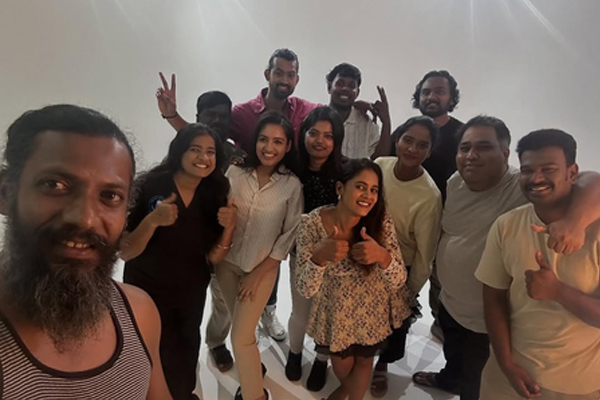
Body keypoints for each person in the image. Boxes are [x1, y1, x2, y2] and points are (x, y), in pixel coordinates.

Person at [412, 116, 600, 400]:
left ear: (504, 153)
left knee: (475, 381)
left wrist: (575, 220)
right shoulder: (455, 182)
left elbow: (592, 180)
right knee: (454, 354)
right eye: (465, 148)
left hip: (487, 322)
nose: (471, 155)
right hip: (450, 303)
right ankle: (449, 378)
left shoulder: (520, 187)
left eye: (483, 147)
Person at [0, 104, 171, 399]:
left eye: (110, 196)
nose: (85, 219)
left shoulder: (139, 313)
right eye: (55, 185)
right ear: (5, 193)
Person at [157, 49, 316, 340]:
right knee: (219, 290)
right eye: (278, 72)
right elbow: (205, 135)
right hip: (234, 204)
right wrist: (171, 116)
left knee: (266, 260)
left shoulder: (303, 109)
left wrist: (354, 105)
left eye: (290, 74)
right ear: (267, 74)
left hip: (280, 194)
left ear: (297, 78)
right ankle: (220, 339)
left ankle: (265, 313)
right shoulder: (241, 116)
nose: (284, 79)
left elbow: (328, 117)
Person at [476, 129, 600, 399]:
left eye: (548, 169)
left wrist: (558, 292)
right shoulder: (507, 224)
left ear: (572, 173)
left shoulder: (596, 230)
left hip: (578, 385)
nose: (536, 178)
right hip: (508, 374)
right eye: (527, 170)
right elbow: (493, 297)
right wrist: (506, 363)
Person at [121, 123, 236, 399]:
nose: (203, 157)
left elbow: (213, 256)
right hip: (147, 288)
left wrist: (230, 227)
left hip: (190, 290)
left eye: (210, 152)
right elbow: (125, 251)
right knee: (148, 347)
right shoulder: (151, 185)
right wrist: (152, 221)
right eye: (195, 149)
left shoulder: (216, 190)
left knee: (186, 347)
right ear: (179, 152)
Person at [295, 158, 411, 400]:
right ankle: (345, 389)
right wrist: (318, 258)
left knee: (365, 362)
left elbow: (399, 278)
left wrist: (382, 256)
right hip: (336, 313)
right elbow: (305, 289)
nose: (368, 196)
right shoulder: (311, 224)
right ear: (340, 188)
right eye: (360, 187)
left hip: (372, 311)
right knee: (342, 366)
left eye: (374, 190)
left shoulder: (380, 220)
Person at [216, 112, 303, 400]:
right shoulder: (235, 172)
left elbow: (289, 235)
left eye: (278, 141)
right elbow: (219, 211)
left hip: (262, 270)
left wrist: (256, 275)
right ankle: (254, 368)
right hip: (227, 265)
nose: (269, 147)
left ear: (287, 146)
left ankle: (255, 395)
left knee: (240, 339)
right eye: (264, 139)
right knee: (242, 331)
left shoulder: (292, 185)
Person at [159, 88, 240, 372]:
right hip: (182, 246)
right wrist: (171, 115)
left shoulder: (236, 155)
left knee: (222, 302)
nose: (217, 121)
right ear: (198, 117)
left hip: (221, 243)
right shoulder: (180, 153)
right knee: (180, 304)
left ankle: (216, 342)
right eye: (210, 115)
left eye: (223, 116)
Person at [371, 116, 443, 397]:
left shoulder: (429, 197)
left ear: (430, 151)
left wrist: (409, 292)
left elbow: (425, 255)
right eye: (408, 140)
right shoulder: (380, 166)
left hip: (401, 268)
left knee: (392, 326)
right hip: (366, 254)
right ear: (397, 140)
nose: (412, 149)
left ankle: (382, 365)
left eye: (422, 145)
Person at [400, 70, 464, 340]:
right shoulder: (409, 128)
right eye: (426, 92)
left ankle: (441, 325)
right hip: (408, 223)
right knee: (404, 274)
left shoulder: (461, 134)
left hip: (447, 224)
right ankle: (398, 323)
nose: (431, 96)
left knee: (442, 282)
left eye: (439, 91)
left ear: (451, 98)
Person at [284, 106, 345, 391]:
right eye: (313, 133)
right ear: (303, 135)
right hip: (301, 255)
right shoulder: (291, 168)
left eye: (328, 136)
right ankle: (295, 352)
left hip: (335, 256)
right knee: (301, 310)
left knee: (328, 312)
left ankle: (322, 359)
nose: (320, 141)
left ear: (337, 140)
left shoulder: (344, 172)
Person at [325, 63, 391, 159]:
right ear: (329, 87)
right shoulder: (317, 119)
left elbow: (379, 160)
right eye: (340, 84)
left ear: (357, 92)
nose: (345, 89)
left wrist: (386, 122)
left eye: (351, 86)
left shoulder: (367, 124)